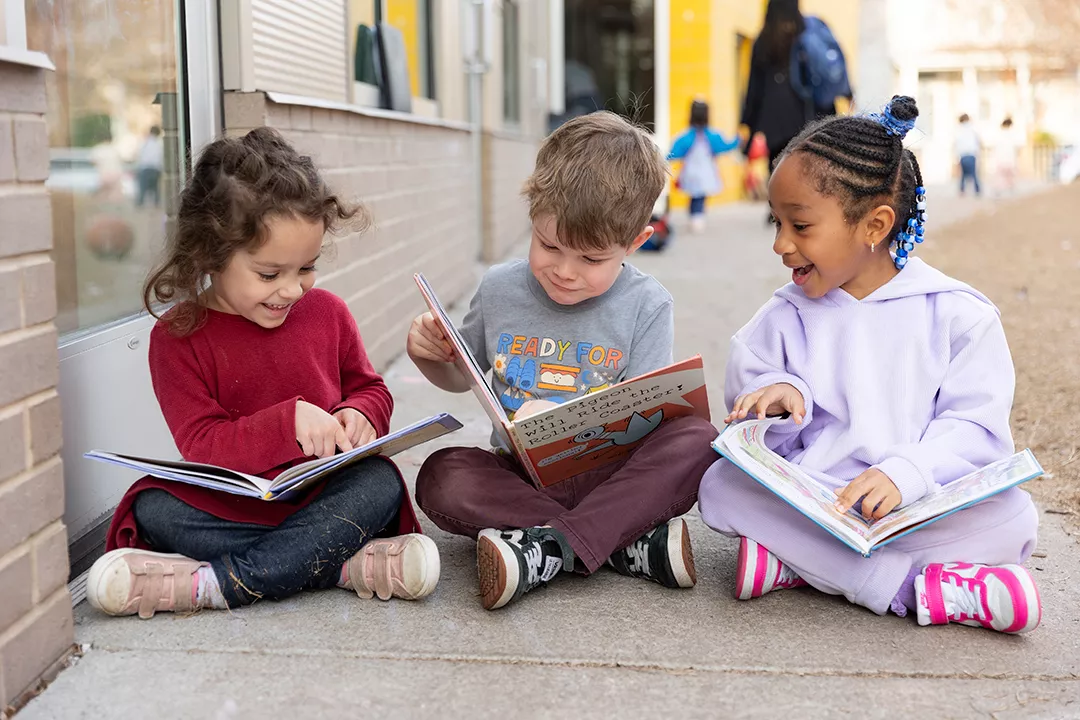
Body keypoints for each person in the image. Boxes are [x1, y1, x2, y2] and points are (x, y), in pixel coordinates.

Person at [697, 96, 1041, 634]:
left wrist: (907, 475)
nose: (781, 244)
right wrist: (777, 394)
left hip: (917, 506)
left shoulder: (958, 315)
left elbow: (976, 429)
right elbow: (751, 401)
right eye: (777, 222)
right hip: (820, 500)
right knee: (720, 485)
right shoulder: (787, 313)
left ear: (875, 225)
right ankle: (918, 589)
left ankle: (799, 566)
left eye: (801, 226)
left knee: (1015, 517)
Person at [86, 128, 440, 619]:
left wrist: (359, 413)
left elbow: (370, 388)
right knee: (151, 507)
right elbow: (201, 445)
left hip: (322, 494)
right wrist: (287, 422)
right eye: (270, 275)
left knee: (379, 481)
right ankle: (337, 565)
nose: (292, 290)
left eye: (307, 268)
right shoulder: (177, 338)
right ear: (211, 254)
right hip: (233, 509)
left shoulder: (327, 313)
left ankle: (213, 583)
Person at [407, 111, 718, 610]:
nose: (566, 271)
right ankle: (620, 543)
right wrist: (429, 356)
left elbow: (647, 424)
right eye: (549, 245)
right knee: (441, 474)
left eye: (592, 260)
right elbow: (458, 376)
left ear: (636, 241)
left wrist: (568, 426)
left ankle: (548, 548)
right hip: (518, 475)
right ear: (532, 215)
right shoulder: (500, 289)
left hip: (608, 474)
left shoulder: (647, 304)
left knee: (699, 440)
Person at [741, 0, 849, 174]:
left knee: (781, 177)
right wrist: (847, 92)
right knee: (816, 178)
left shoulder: (764, 41)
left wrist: (748, 125)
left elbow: (755, 90)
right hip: (815, 119)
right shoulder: (810, 31)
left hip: (777, 124)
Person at [668, 99, 739, 233]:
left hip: (690, 171)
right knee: (700, 196)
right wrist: (738, 139)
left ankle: (693, 216)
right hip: (706, 172)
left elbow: (674, 153)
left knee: (694, 195)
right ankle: (697, 218)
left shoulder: (686, 136)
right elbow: (725, 146)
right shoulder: (712, 135)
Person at [135, 126, 164, 207]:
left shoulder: (145, 143)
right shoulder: (158, 144)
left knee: (142, 188)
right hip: (156, 168)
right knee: (155, 188)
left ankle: (140, 204)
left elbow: (140, 156)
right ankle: (156, 204)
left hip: (145, 168)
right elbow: (160, 158)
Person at [994, 117, 1022, 196]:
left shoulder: (1000, 133)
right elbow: (1017, 146)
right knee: (1010, 175)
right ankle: (1010, 189)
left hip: (1001, 158)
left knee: (1001, 176)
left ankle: (999, 190)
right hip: (1009, 158)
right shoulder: (1012, 133)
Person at [956, 113, 982, 196]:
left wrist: (956, 157)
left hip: (963, 155)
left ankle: (962, 190)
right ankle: (977, 190)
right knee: (974, 173)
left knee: (963, 174)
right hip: (971, 154)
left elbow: (957, 144)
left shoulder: (959, 130)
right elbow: (977, 142)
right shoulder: (973, 129)